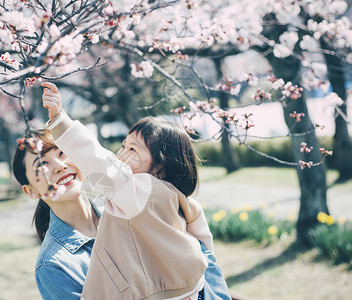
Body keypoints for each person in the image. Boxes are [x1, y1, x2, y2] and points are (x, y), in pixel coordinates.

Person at [41, 82, 230, 300]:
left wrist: (59, 120)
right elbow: (204, 244)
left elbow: (97, 160)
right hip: (189, 287)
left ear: (159, 167)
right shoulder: (180, 199)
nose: (121, 154)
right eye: (123, 145)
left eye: (133, 149)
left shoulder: (139, 188)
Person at [13, 130, 230, 300]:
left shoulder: (128, 205)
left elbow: (197, 256)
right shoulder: (53, 265)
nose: (60, 166)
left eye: (62, 153)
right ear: (31, 191)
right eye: (42, 165)